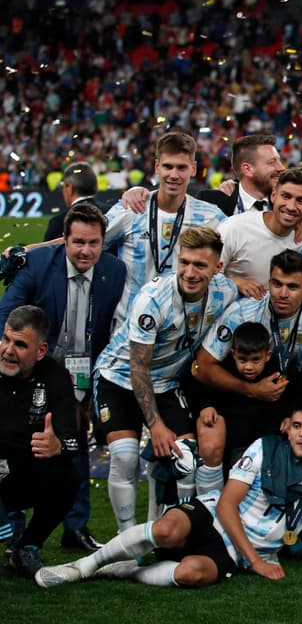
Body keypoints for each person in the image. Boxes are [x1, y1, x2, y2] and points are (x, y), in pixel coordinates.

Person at [36, 403, 302, 588]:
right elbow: (228, 505)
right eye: (297, 426)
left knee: (190, 573)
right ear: (288, 429)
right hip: (213, 516)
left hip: (233, 554)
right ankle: (82, 567)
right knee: (165, 530)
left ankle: (126, 570)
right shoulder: (266, 448)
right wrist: (258, 561)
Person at [94, 226, 240, 535]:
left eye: (200, 265)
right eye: (184, 262)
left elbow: (246, 292)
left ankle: (175, 531)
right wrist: (156, 425)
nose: (189, 272)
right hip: (119, 378)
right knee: (124, 456)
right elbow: (138, 368)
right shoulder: (152, 298)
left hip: (167, 382)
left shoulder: (225, 291)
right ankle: (126, 540)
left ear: (217, 268)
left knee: (187, 460)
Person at [0, 202, 125, 551]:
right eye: (78, 242)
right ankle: (16, 532)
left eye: (94, 243)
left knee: (75, 442)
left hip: (82, 369)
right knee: (19, 440)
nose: (86, 251)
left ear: (103, 242)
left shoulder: (114, 271)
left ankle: (76, 528)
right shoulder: (40, 265)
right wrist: (14, 360)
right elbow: (7, 312)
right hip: (34, 366)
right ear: (64, 242)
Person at [195, 251, 302, 473]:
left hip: (295, 397)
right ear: (269, 282)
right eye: (276, 284)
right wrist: (251, 389)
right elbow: (202, 367)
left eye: (292, 287)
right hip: (243, 400)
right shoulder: (243, 312)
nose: (282, 294)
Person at [0, 307, 80, 578]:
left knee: (68, 478)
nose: (8, 350)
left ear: (41, 350)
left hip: (24, 473)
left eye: (20, 345)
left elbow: (73, 440)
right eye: (6, 339)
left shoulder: (56, 378)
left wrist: (58, 445)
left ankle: (26, 547)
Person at [103, 131, 227, 298]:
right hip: (131, 320)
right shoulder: (131, 208)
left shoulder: (212, 217)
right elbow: (85, 242)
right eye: (168, 166)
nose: (174, 175)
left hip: (181, 320)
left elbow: (231, 261)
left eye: (181, 167)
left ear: (193, 169)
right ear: (157, 167)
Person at [192, 322, 290, 475]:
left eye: (255, 360)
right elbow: (201, 385)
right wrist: (206, 406)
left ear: (268, 356)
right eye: (243, 360)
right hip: (233, 445)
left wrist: (289, 416)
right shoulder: (224, 372)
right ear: (233, 354)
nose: (248, 367)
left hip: (266, 444)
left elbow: (294, 395)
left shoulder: (277, 373)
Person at [217, 168, 302, 296]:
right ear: (273, 195)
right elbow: (206, 274)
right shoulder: (234, 228)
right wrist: (235, 283)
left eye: (300, 200)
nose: (291, 206)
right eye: (286, 196)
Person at [199, 133, 284, 216]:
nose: (281, 168)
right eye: (272, 162)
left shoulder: (285, 202)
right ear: (247, 169)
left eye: (279, 161)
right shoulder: (211, 203)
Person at [43, 162, 98, 241]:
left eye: (64, 186)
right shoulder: (111, 212)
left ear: (69, 188)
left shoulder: (59, 222)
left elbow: (47, 252)